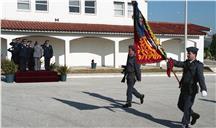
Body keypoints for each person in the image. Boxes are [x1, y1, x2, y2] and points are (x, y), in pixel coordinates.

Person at [170, 46, 207, 128]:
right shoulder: (187, 63)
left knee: (187, 107)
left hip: (191, 90)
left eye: (189, 53)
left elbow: (201, 77)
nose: (187, 55)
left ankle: (185, 123)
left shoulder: (198, 65)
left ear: (194, 54)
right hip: (184, 88)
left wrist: (203, 89)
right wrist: (171, 60)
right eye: (188, 53)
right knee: (180, 105)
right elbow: (179, 63)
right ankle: (193, 115)